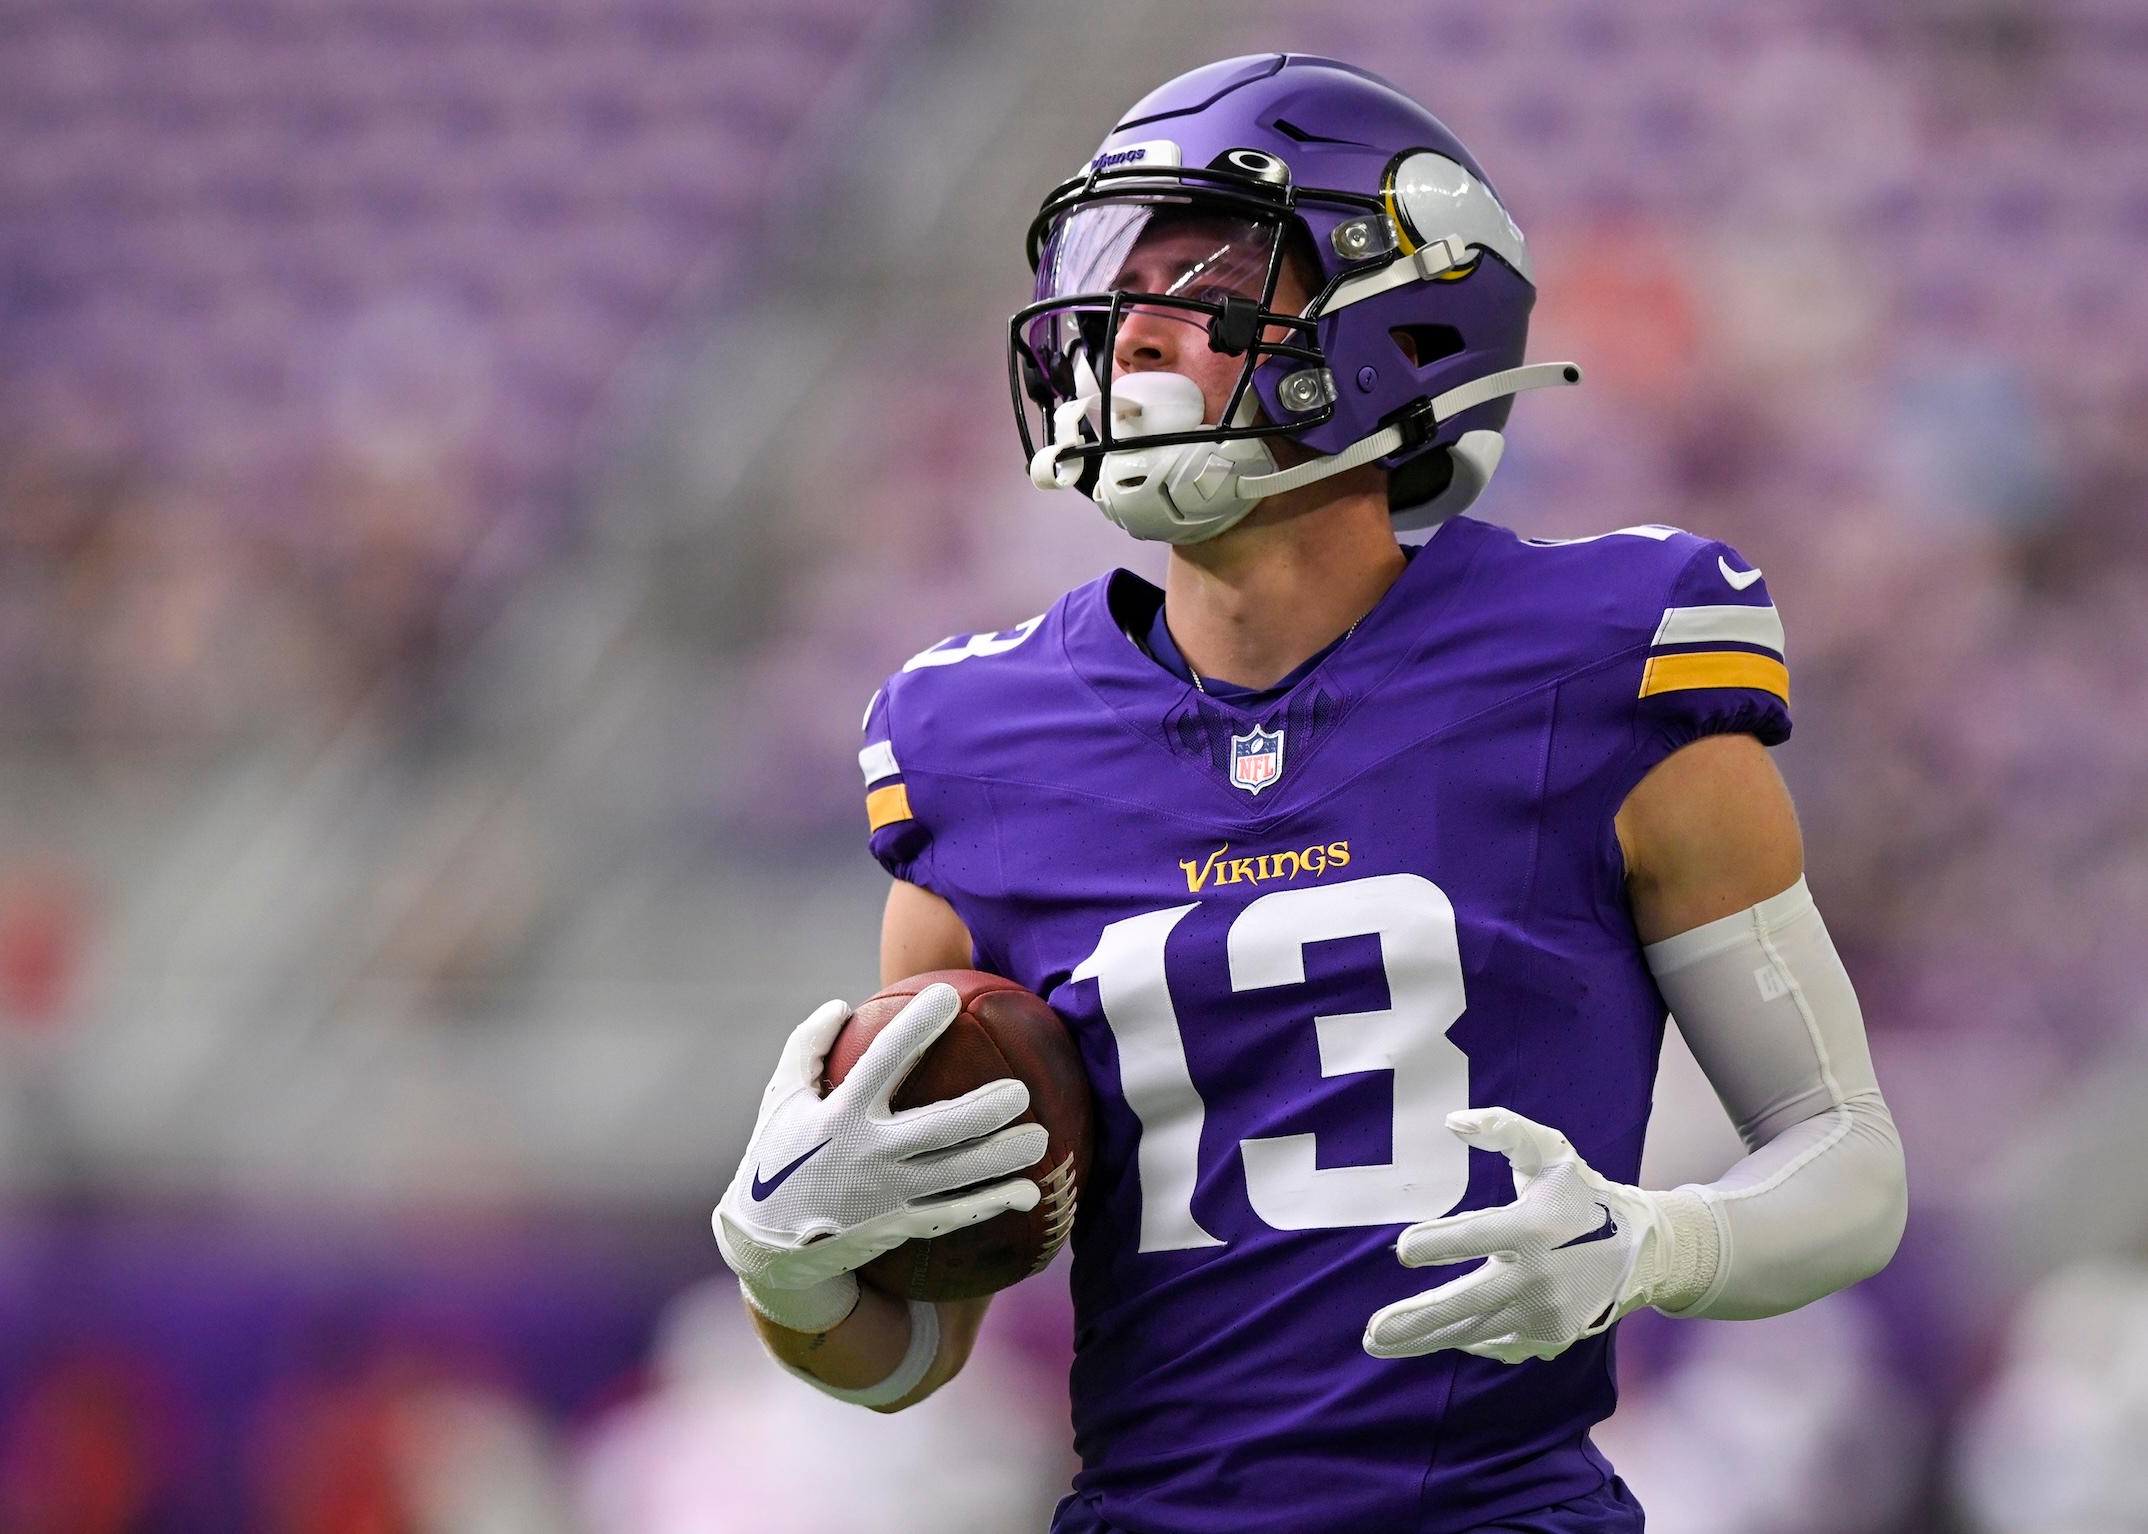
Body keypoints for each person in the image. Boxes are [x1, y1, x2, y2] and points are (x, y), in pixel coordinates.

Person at [712, 53, 1907, 1534]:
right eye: (1111, 283)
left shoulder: (1596, 658)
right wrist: (791, 1266)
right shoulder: (979, 738)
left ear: (1398, 322)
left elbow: (1847, 1156)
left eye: (1196, 278)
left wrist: (1653, 1242)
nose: (1125, 334)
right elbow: (911, 1352)